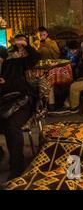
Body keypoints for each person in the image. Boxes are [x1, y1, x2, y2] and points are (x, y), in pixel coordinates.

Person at [0, 34, 41, 179]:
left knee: (11, 126)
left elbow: (35, 57)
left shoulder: (13, 64)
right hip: (3, 104)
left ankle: (17, 166)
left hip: (21, 101)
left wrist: (25, 45)